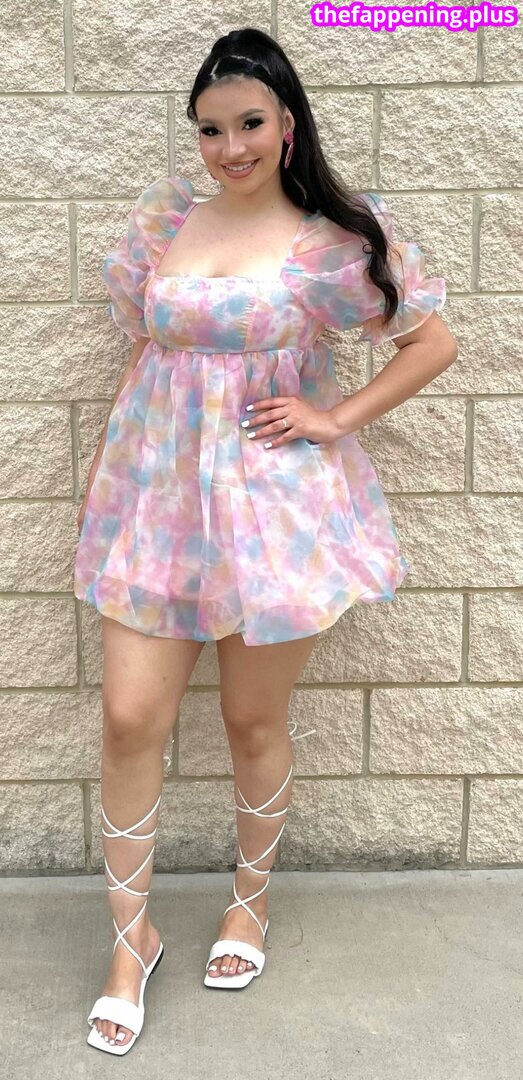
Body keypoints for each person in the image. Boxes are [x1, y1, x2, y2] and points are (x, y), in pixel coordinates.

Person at [74, 26, 457, 1056]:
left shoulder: (329, 240)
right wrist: (115, 477)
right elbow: (148, 351)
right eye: (210, 129)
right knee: (129, 719)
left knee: (251, 719)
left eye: (248, 123)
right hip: (157, 502)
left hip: (274, 511)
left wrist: (335, 417)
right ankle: (131, 940)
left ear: (286, 124)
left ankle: (249, 903)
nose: (229, 147)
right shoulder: (167, 219)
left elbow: (430, 343)